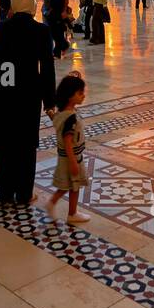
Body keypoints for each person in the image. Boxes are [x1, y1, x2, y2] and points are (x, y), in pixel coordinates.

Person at [0, 0, 56, 207]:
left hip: (1, 97)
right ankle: (24, 194)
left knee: (3, 145)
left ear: (13, 6)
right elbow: (47, 69)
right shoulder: (41, 31)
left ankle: (5, 194)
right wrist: (49, 101)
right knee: (25, 147)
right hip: (27, 99)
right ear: (32, 6)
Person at [46, 72, 91, 225]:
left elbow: (58, 123)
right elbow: (67, 139)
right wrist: (73, 162)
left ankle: (72, 212)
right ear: (70, 95)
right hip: (72, 158)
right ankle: (55, 205)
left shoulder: (62, 114)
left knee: (71, 186)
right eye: (80, 93)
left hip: (65, 157)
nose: (83, 96)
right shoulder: (70, 118)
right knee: (69, 186)